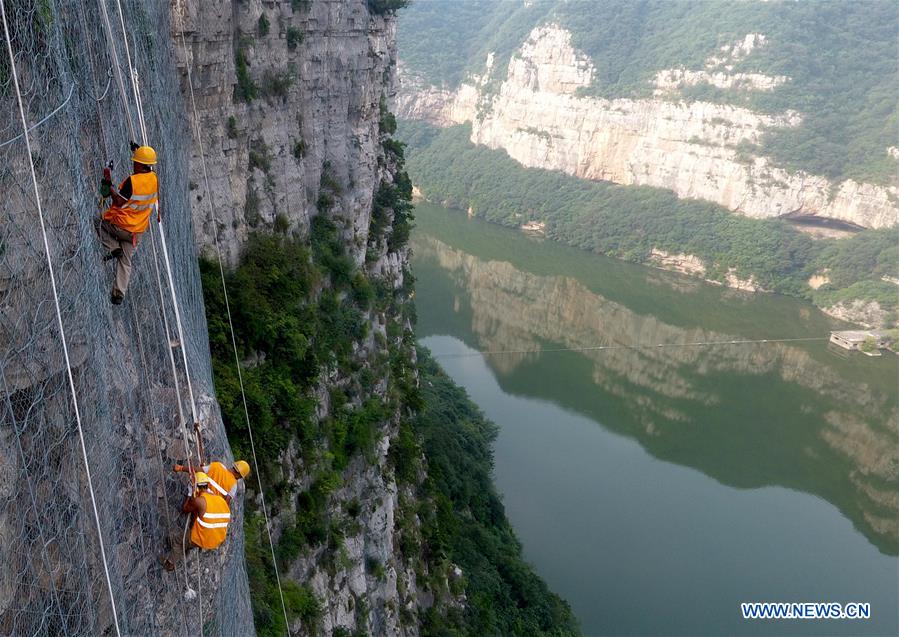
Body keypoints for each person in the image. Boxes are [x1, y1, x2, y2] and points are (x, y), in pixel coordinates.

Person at [96, 143, 159, 305]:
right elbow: (146, 165)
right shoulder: (154, 179)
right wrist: (137, 151)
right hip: (136, 233)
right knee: (126, 261)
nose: (133, 163)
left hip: (121, 226)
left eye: (135, 161)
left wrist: (109, 186)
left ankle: (112, 247)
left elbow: (117, 202)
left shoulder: (133, 182)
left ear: (139, 164)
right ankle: (119, 293)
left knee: (99, 222)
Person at [161, 472, 231, 572]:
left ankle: (170, 564)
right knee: (188, 540)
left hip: (203, 538)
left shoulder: (199, 501)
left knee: (175, 540)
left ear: (196, 487)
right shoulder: (221, 500)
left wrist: (190, 493)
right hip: (216, 539)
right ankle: (186, 547)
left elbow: (184, 509)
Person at [173, 459, 250, 504]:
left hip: (197, 493)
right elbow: (225, 503)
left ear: (234, 466)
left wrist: (181, 468)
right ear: (239, 476)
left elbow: (197, 470)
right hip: (208, 505)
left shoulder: (218, 466)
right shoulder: (234, 485)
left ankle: (186, 503)